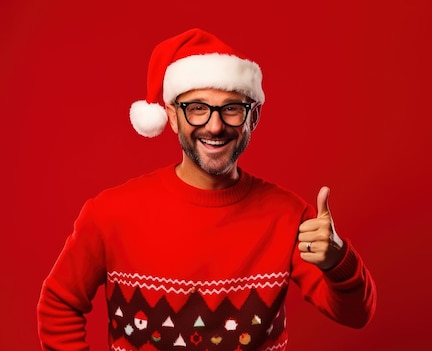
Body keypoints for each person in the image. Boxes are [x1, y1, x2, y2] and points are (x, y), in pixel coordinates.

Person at [37, 28, 376, 351]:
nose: (215, 126)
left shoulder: (290, 216)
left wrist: (338, 260)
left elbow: (356, 315)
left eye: (231, 108)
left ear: (253, 117)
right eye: (197, 108)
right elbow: (58, 304)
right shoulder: (110, 213)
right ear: (172, 116)